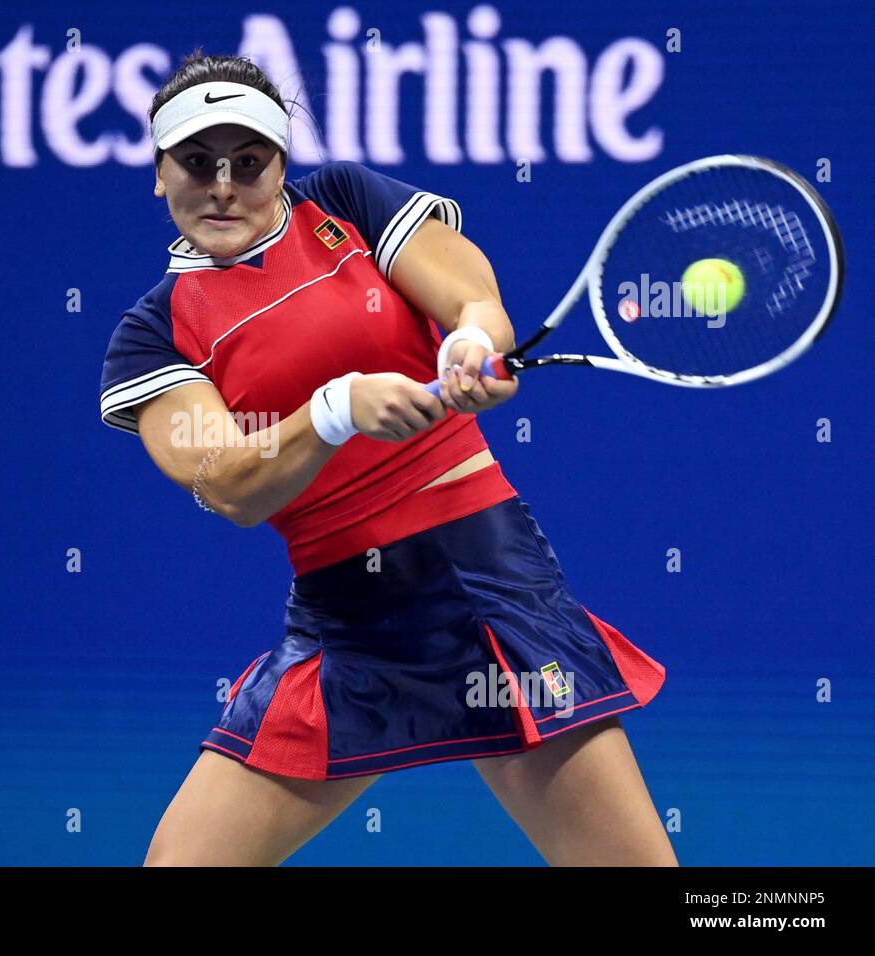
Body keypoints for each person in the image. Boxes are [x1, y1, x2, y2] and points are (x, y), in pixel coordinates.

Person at [98, 51, 676, 867]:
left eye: (248, 161)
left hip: (484, 582)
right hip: (346, 622)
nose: (223, 185)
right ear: (159, 173)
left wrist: (474, 342)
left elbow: (475, 303)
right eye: (197, 162)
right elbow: (227, 484)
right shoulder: (154, 332)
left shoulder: (346, 203)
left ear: (281, 163)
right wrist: (334, 410)